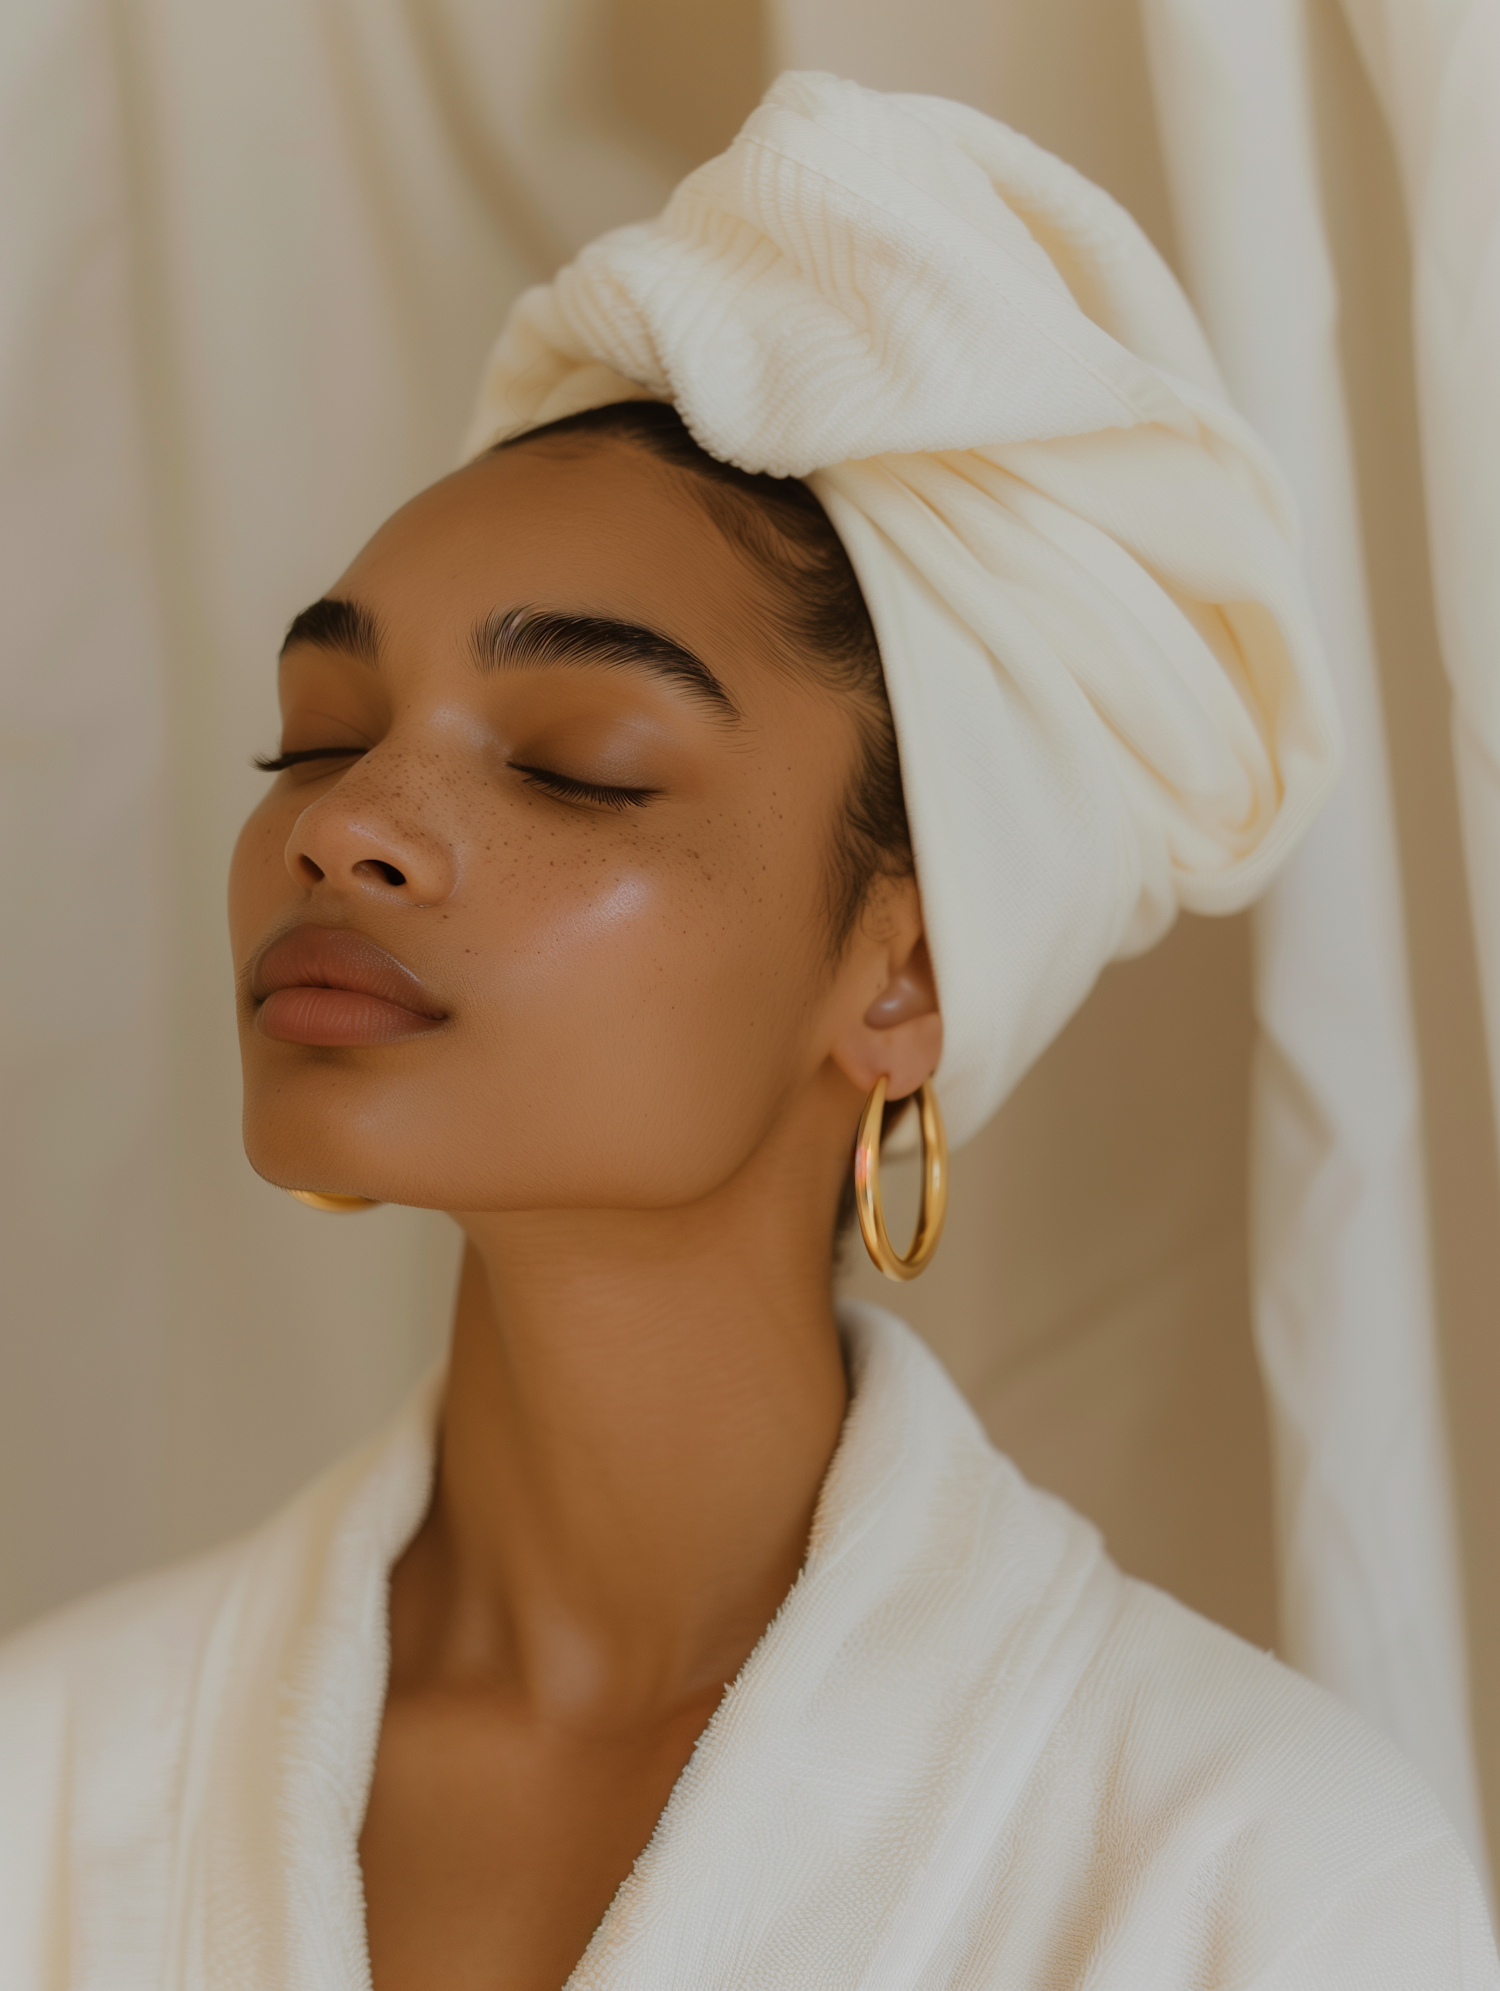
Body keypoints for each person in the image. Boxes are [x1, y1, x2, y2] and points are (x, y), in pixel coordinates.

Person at [1, 70, 1494, 1991]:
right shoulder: (47, 1783)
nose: (340, 822)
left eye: (576, 764)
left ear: (905, 977)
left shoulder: (1259, 1882)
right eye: (320, 731)